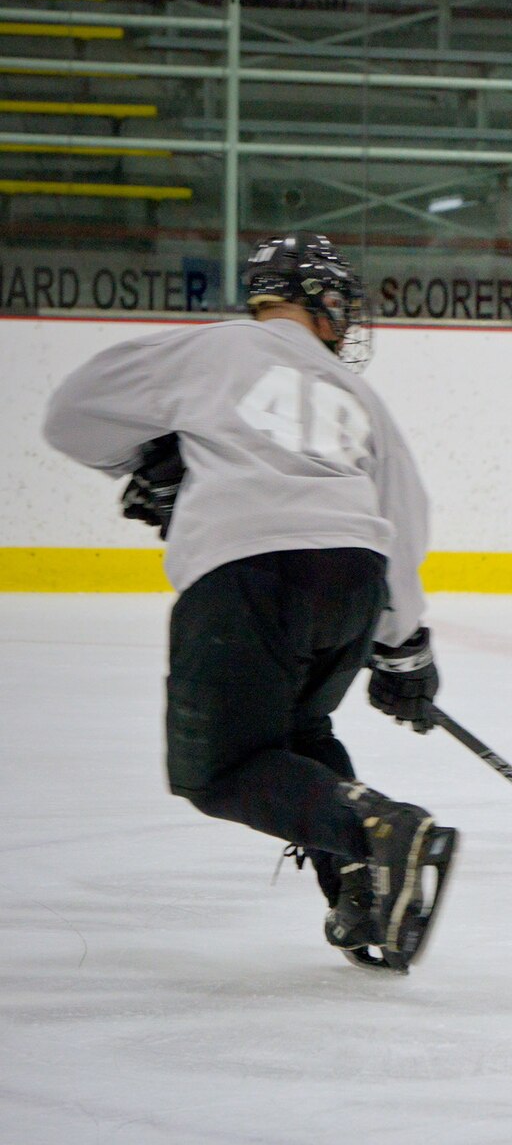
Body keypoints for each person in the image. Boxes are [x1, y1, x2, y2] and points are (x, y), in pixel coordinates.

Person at [42, 232, 455, 973]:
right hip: (353, 574)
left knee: (221, 768)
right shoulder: (356, 392)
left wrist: (149, 461)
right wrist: (403, 643)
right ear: (322, 302)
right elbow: (405, 513)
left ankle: (374, 831)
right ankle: (361, 890)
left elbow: (68, 413)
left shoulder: (211, 350)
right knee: (299, 730)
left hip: (246, 569)